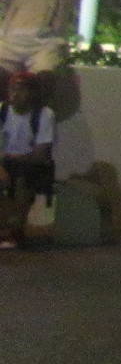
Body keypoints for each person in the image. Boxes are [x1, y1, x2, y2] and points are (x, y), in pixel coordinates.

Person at [1, 69, 56, 248]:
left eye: (22, 90)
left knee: (22, 181)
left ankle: (16, 231)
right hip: (5, 162)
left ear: (33, 93)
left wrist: (13, 160)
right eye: (13, 89)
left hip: (32, 165)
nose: (16, 95)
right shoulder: (2, 111)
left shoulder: (44, 115)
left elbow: (40, 155)